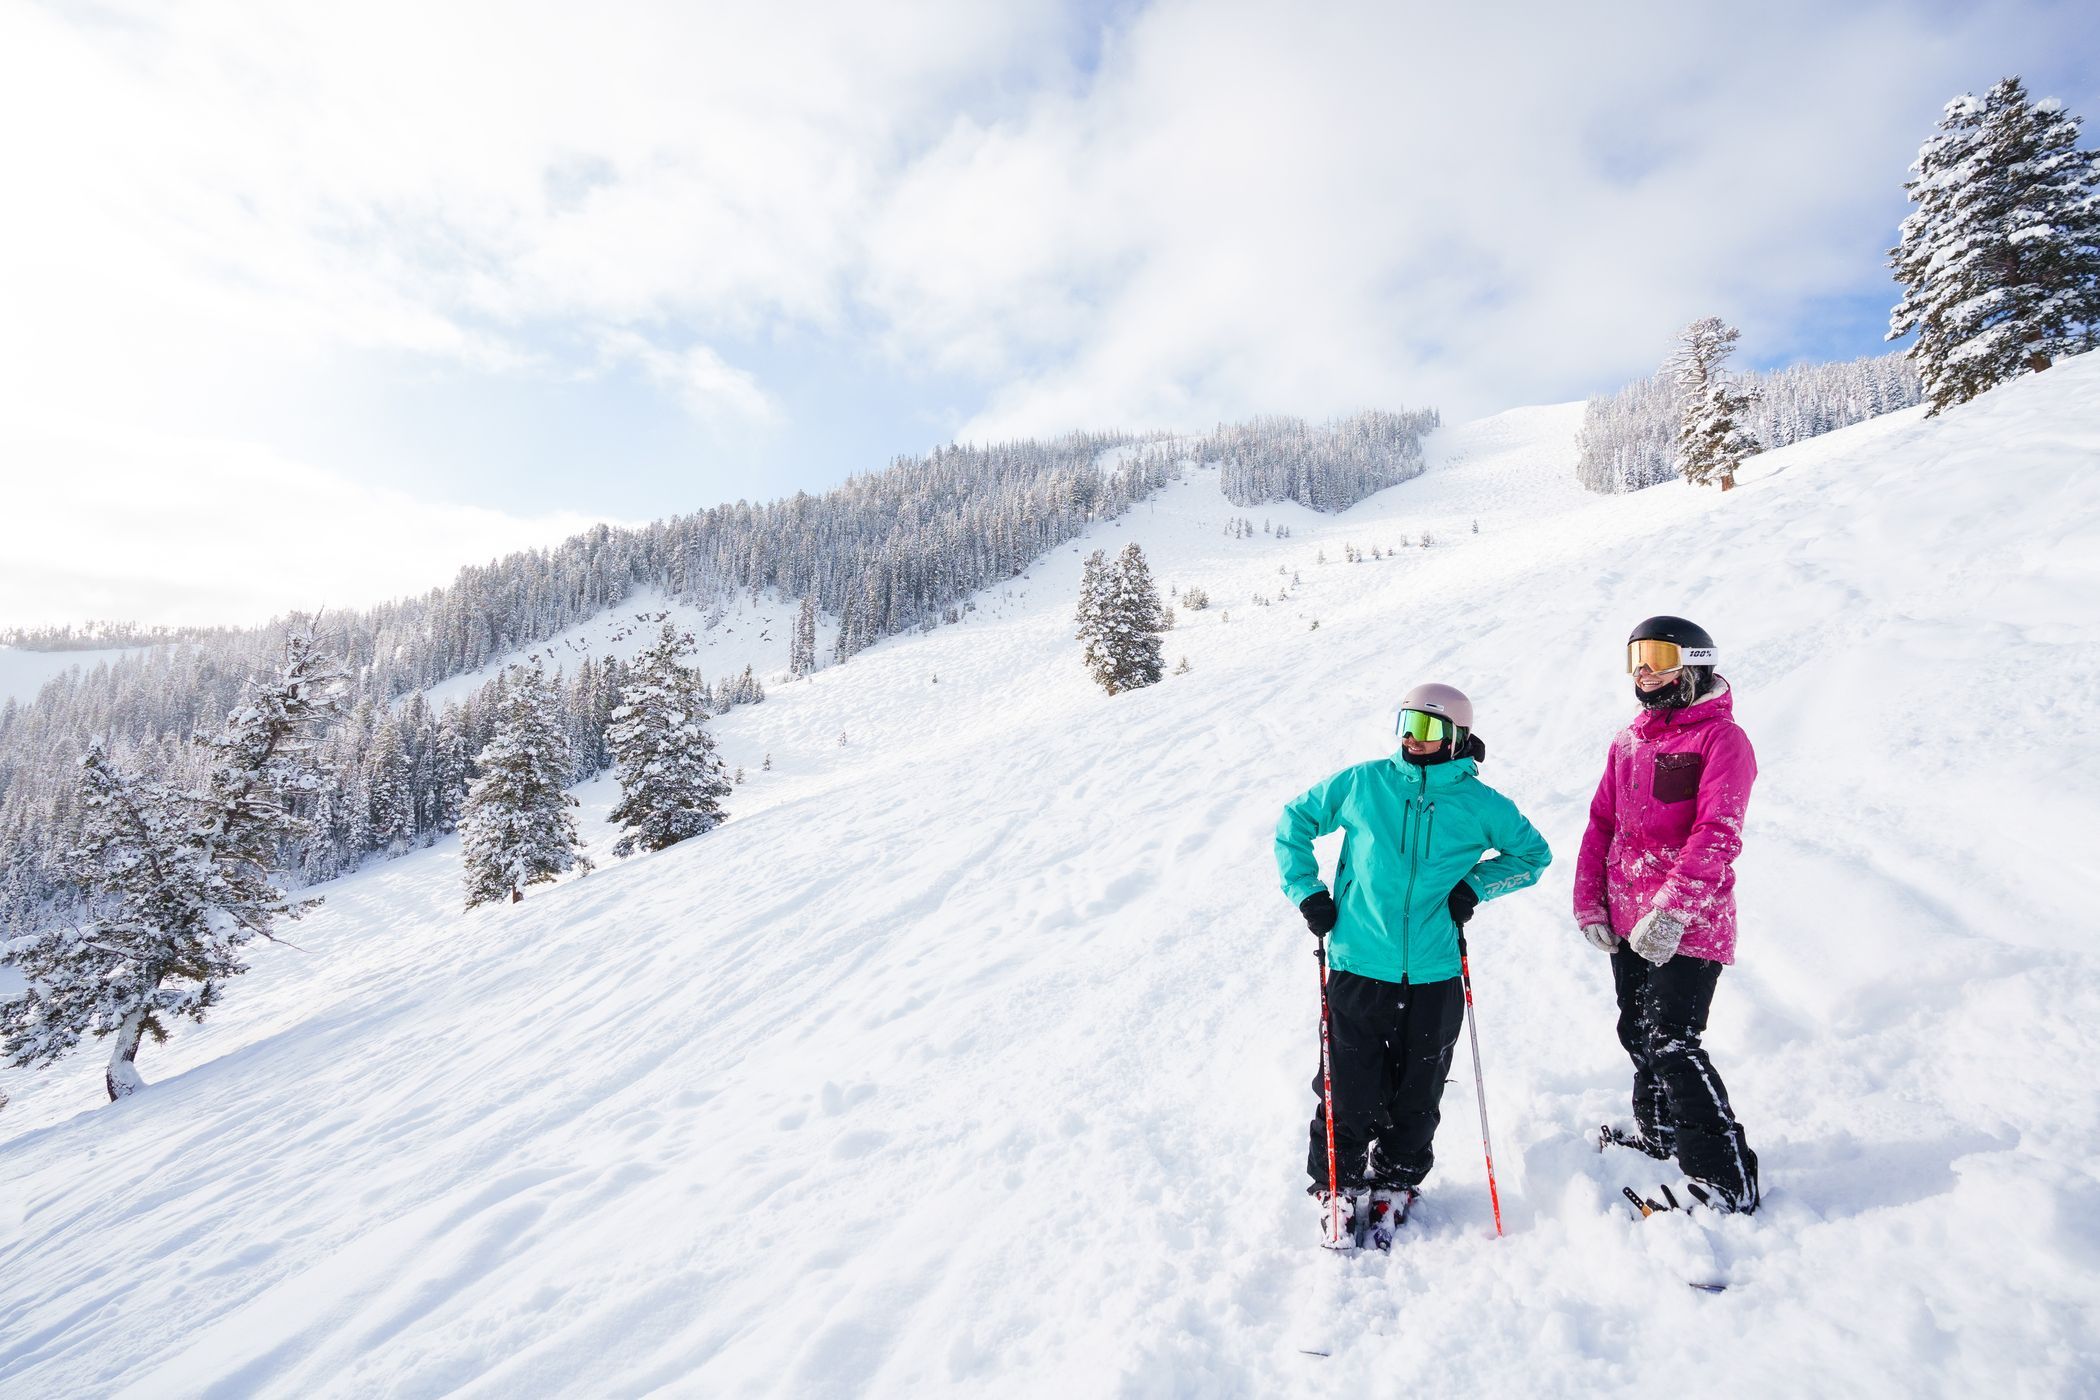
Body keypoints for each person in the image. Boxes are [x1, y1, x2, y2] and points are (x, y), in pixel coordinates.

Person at [1275, 682, 1552, 1249]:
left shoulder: (1481, 805)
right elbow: (1295, 822)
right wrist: (1308, 891)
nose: (1411, 738)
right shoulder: (1364, 782)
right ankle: (1336, 1182)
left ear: (1455, 735)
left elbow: (1533, 856)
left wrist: (1475, 887)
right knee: (1347, 1082)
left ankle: (1398, 1178)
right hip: (1358, 961)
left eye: (1426, 728)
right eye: (1406, 723)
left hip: (1434, 971)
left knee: (1418, 1085)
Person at [1573, 615, 1761, 1214]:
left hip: (1690, 924)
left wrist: (1674, 910)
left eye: (1658, 656)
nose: (1645, 671)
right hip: (1629, 921)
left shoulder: (1722, 741)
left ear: (1696, 662)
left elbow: (1717, 832)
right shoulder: (1629, 741)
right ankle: (1660, 1137)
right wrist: (1590, 902)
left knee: (1673, 1041)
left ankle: (1728, 1179)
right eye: (1636, 659)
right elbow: (1603, 823)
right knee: (1638, 1034)